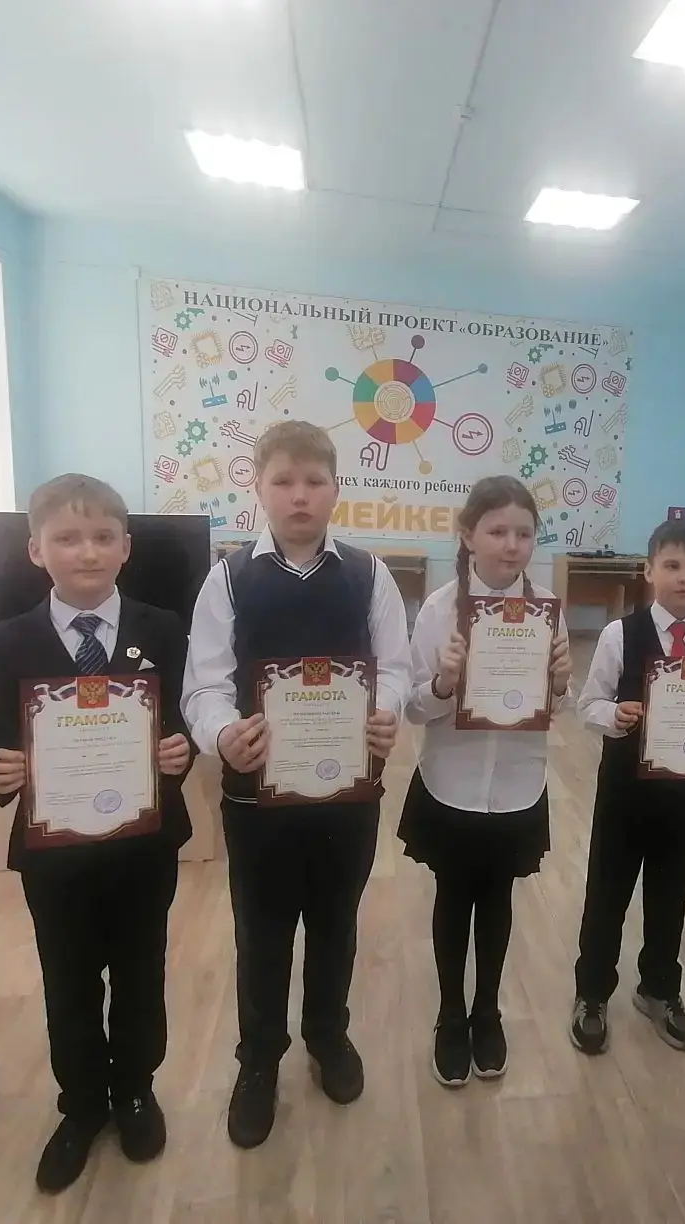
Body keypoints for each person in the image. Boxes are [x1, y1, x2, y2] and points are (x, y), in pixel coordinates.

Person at [182, 421, 411, 1149]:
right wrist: (223, 733)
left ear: (337, 489)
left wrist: (384, 712)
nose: (300, 495)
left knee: (337, 922)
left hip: (348, 793)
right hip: (257, 798)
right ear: (258, 488)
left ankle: (327, 1035)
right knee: (262, 932)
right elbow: (204, 684)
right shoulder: (227, 579)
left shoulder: (371, 576)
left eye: (315, 481)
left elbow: (395, 669)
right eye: (283, 481)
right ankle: (258, 1061)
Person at [0, 474, 195, 1192]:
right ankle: (80, 1106)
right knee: (67, 979)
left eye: (103, 537)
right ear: (36, 550)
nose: (87, 552)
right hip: (55, 853)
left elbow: (182, 720)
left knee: (140, 971)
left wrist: (182, 748)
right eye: (67, 538)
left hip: (142, 845)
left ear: (126, 547)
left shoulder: (162, 627)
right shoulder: (9, 639)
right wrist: (0, 766)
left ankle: (134, 1089)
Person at [399, 475, 572, 1087]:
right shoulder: (439, 609)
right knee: (453, 898)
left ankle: (487, 1011)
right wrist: (444, 682)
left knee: (498, 899)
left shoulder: (547, 611)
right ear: (468, 535)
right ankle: (450, 1015)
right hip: (452, 781)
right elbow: (413, 708)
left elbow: (558, 706)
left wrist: (559, 684)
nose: (512, 545)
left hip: (519, 784)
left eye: (524, 533)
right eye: (498, 531)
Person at [569, 517, 685, 1056]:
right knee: (607, 894)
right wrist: (616, 714)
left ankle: (658, 989)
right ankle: (592, 993)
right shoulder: (618, 635)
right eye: (672, 565)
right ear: (649, 571)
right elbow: (589, 705)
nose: (684, 577)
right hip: (625, 791)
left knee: (671, 896)